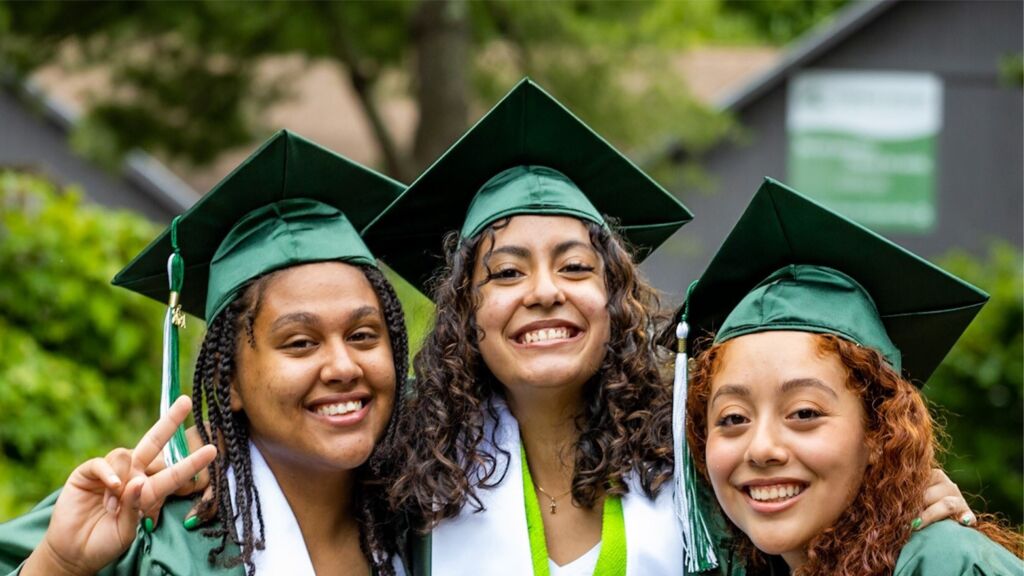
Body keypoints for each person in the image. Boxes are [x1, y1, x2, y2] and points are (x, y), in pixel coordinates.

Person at [364, 80, 975, 576]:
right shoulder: (409, 475)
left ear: (614, 298)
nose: (545, 291)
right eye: (504, 272)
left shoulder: (694, 455)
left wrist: (901, 500)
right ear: (465, 314)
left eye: (575, 266)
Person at [0, 130, 412, 576]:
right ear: (229, 380)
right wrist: (57, 565)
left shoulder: (431, 512)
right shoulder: (148, 538)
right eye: (300, 343)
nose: (343, 366)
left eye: (364, 335)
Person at [677, 178, 1023, 575]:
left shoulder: (944, 565)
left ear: (879, 432)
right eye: (733, 418)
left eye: (804, 413)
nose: (761, 448)